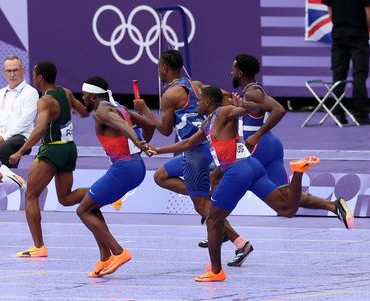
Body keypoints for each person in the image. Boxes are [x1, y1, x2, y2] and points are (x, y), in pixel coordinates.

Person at [147, 86, 354, 282]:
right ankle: (299, 174)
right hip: (252, 166)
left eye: (199, 101)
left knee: (213, 220)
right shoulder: (207, 123)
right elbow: (187, 143)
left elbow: (248, 110)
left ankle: (216, 271)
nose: (196, 104)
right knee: (286, 209)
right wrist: (157, 150)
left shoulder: (223, 112)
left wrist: (243, 105)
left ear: (207, 101)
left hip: (237, 171)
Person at [133, 49, 245, 261]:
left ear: (164, 68)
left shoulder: (170, 95)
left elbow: (165, 130)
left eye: (159, 67)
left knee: (202, 204)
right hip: (204, 147)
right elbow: (228, 99)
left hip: (195, 151)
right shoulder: (198, 85)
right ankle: (202, 192)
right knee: (161, 176)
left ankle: (240, 242)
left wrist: (145, 110)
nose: (158, 71)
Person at [198, 54, 287, 267]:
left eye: (232, 69)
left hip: (258, 144)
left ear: (240, 72)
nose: (230, 72)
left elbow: (278, 110)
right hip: (269, 145)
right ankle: (332, 206)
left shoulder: (253, 91)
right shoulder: (247, 91)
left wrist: (258, 134)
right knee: (285, 199)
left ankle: (216, 227)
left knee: (217, 176)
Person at [9, 61, 90, 257]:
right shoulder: (66, 93)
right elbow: (86, 112)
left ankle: (38, 247)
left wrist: (20, 151)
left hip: (52, 150)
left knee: (31, 195)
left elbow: (40, 128)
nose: (33, 78)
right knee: (65, 198)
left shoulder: (45, 100)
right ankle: (106, 192)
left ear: (40, 78)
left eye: (34, 75)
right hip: (70, 149)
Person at [77, 76, 153, 278]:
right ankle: (104, 256)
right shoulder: (118, 106)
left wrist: (138, 142)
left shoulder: (102, 110)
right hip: (137, 166)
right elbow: (151, 125)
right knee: (91, 206)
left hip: (124, 168)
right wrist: (143, 141)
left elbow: (121, 125)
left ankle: (118, 252)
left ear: (92, 95)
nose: (83, 98)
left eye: (84, 95)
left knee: (82, 210)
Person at [323, 0, 370, 125]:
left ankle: (339, 115)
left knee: (338, 76)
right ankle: (361, 115)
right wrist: (361, 29)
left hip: (339, 35)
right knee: (360, 75)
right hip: (358, 34)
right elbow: (369, 15)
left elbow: (330, 12)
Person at [0, 55, 39, 167]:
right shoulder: (0, 93)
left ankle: (12, 180)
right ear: (4, 73)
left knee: (6, 148)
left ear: (23, 71)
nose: (12, 74)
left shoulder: (31, 93)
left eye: (15, 70)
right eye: (9, 71)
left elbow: (26, 121)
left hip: (21, 137)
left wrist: (4, 138)